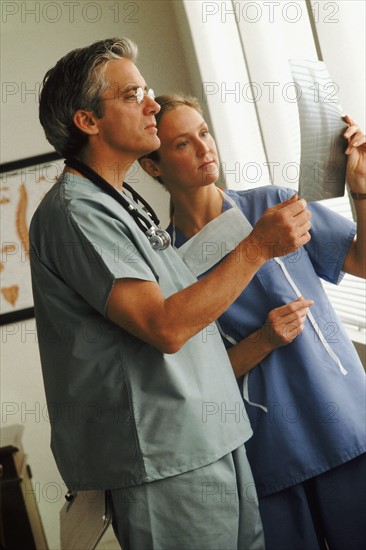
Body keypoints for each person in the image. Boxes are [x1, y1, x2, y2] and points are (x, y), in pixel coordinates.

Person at [29, 39, 312, 550]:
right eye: (133, 93)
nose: (153, 104)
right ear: (88, 121)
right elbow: (166, 327)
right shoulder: (75, 211)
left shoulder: (120, 201)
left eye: (149, 91)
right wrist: (257, 249)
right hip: (164, 461)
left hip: (210, 442)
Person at [139, 94, 366, 550]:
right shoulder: (165, 267)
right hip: (268, 450)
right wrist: (263, 339)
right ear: (153, 166)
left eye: (204, 133)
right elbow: (189, 382)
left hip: (345, 422)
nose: (205, 149)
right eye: (183, 144)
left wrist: (360, 188)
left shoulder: (274, 205)